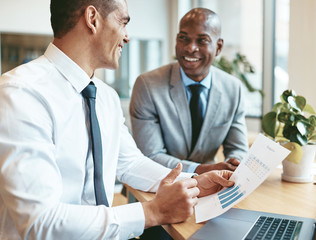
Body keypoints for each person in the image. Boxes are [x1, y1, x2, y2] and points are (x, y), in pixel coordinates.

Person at [0, 1, 235, 239]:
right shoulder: (20, 93)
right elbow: (39, 222)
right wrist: (151, 212)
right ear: (92, 19)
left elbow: (131, 164)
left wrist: (195, 181)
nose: (127, 37)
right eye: (123, 23)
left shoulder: (105, 97)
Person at [129, 8, 249, 175]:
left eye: (202, 41)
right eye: (183, 38)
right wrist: (201, 170)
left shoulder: (233, 89)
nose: (190, 48)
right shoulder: (148, 86)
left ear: (219, 47)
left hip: (210, 188)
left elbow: (238, 149)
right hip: (155, 185)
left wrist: (234, 163)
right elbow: (150, 155)